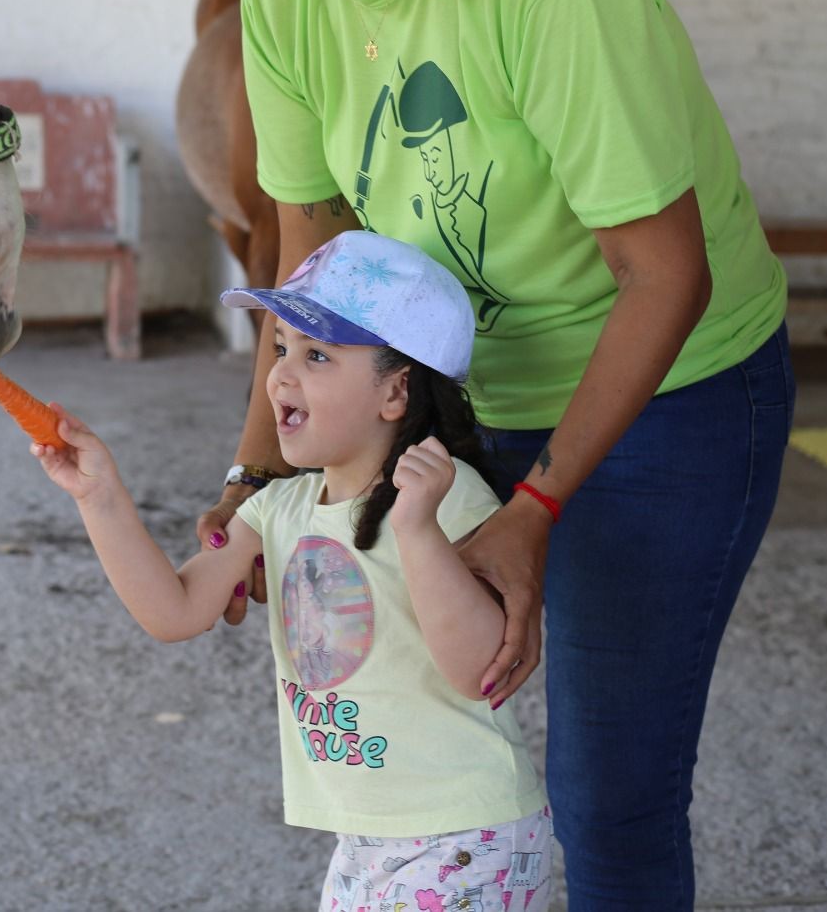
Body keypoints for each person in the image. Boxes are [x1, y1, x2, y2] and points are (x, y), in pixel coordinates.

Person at [201, 0, 796, 908]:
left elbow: (664, 274)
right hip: (448, 396)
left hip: (664, 389)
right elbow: (314, 251)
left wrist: (535, 505)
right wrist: (256, 476)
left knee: (609, 790)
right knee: (419, 759)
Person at [36, 232, 552, 910]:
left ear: (396, 391)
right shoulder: (281, 506)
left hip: (465, 836)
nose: (281, 374)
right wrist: (100, 497)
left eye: (317, 355)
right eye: (280, 347)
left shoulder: (450, 498)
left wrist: (418, 532)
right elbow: (175, 612)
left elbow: (479, 671)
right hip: (365, 840)